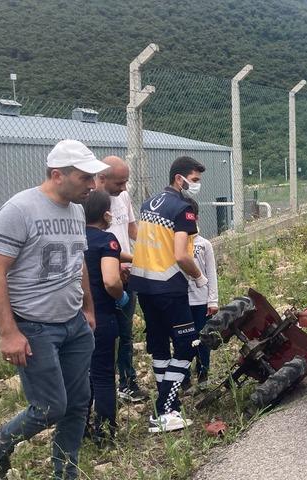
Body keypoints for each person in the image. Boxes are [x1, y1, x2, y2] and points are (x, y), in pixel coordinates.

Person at [0, 139, 108, 480]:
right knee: (50, 408)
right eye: (84, 178)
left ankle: (66, 474)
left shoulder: (77, 209)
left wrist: (88, 310)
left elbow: (78, 263)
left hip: (74, 324)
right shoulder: (20, 210)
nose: (92, 186)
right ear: (57, 175)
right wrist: (9, 333)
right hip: (35, 327)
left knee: (78, 405)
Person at [130, 156, 206, 432]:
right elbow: (179, 255)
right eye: (194, 180)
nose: (197, 185)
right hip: (169, 285)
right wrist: (199, 276)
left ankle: (167, 408)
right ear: (179, 178)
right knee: (186, 345)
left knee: (160, 345)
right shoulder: (183, 209)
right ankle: (164, 408)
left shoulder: (148, 203)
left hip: (144, 285)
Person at [95, 155, 147, 402]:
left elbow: (131, 229)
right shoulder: (89, 203)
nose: (124, 188)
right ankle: (99, 389)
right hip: (104, 279)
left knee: (125, 334)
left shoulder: (123, 197)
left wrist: (150, 248)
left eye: (126, 182)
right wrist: (120, 263)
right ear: (102, 179)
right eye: (119, 183)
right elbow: (94, 246)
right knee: (104, 337)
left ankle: (127, 382)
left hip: (127, 274)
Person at [82, 190, 130, 445]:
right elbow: (111, 280)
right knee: (102, 374)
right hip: (101, 314)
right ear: (105, 214)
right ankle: (105, 433)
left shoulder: (75, 237)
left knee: (82, 376)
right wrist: (121, 296)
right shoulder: (107, 239)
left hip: (75, 318)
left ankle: (79, 429)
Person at [183, 199, 219, 391]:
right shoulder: (175, 245)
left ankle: (203, 374)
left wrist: (212, 300)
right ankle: (185, 378)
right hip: (182, 301)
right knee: (184, 340)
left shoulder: (204, 244)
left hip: (201, 301)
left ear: (195, 218)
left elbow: (211, 273)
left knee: (203, 338)